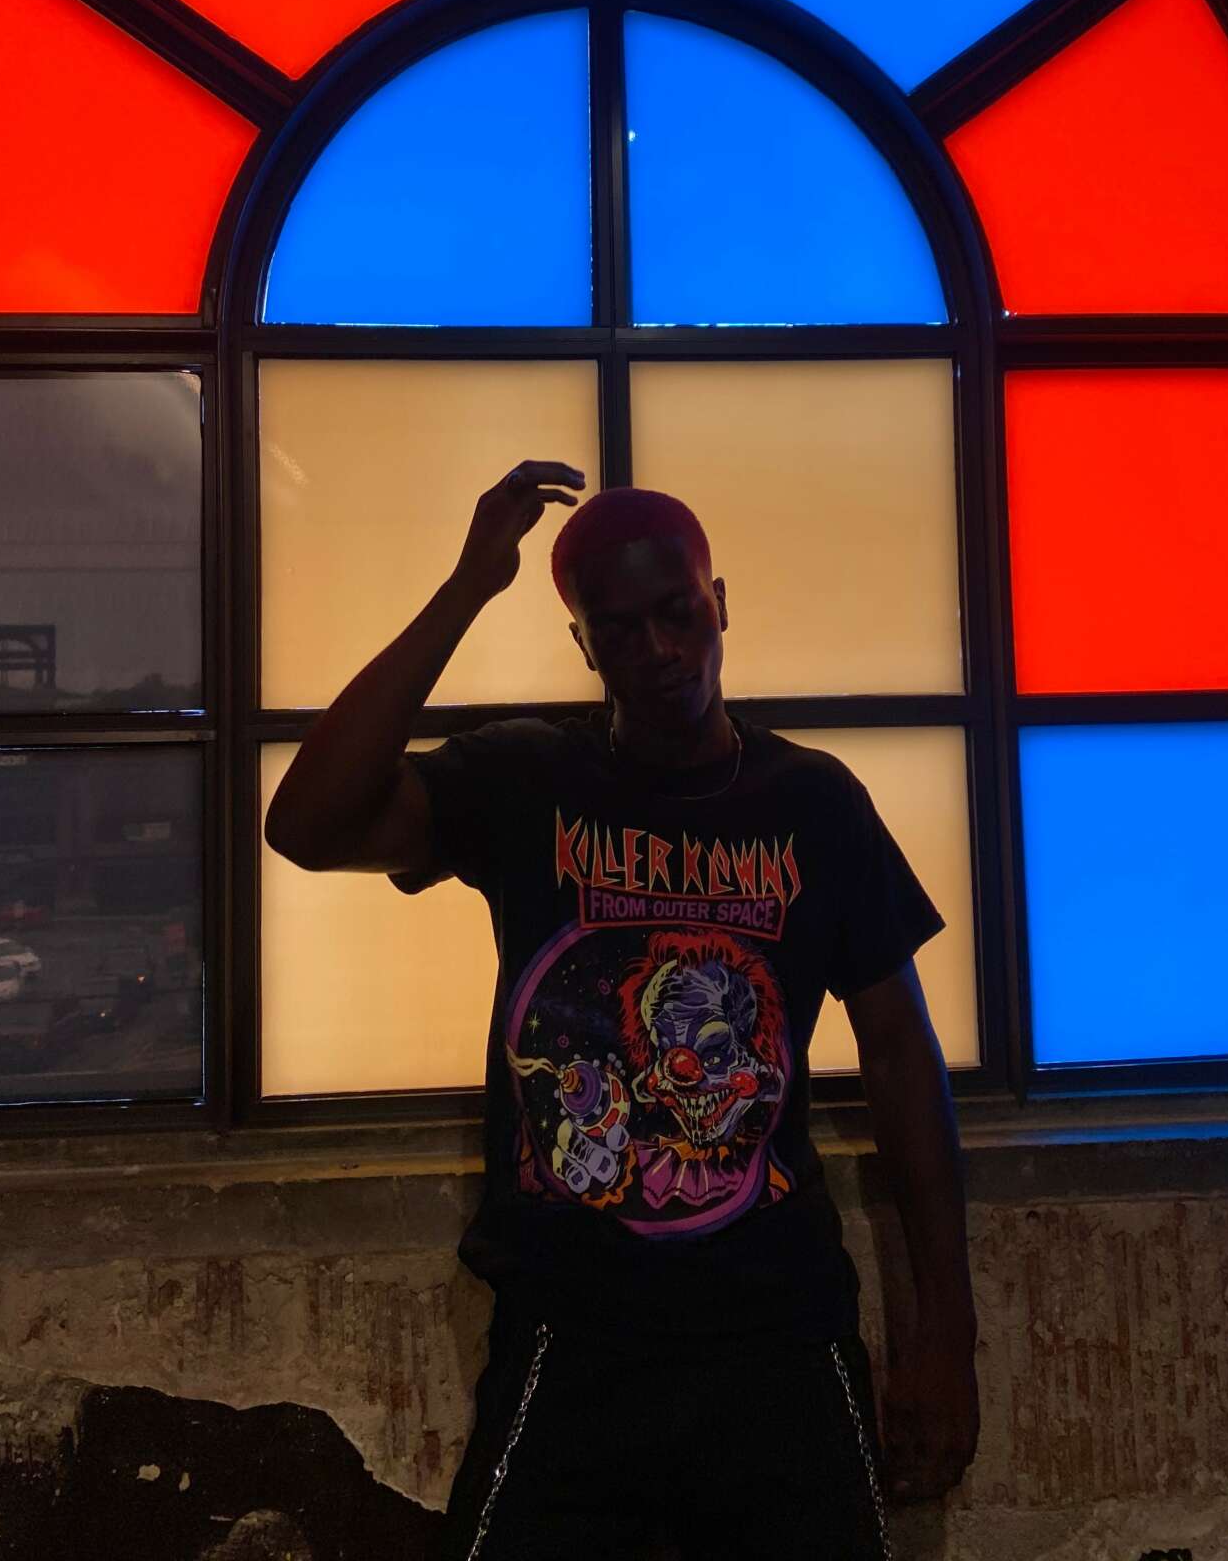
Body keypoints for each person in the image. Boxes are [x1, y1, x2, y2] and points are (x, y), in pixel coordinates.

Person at [265, 462, 979, 1559]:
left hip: (778, 1329)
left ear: (720, 603)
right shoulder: (527, 781)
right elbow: (306, 824)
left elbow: (898, 1056)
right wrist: (466, 587)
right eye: (619, 628)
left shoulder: (813, 804)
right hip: (574, 1331)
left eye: (677, 612)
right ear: (583, 644)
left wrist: (946, 1332)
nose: (657, 649)